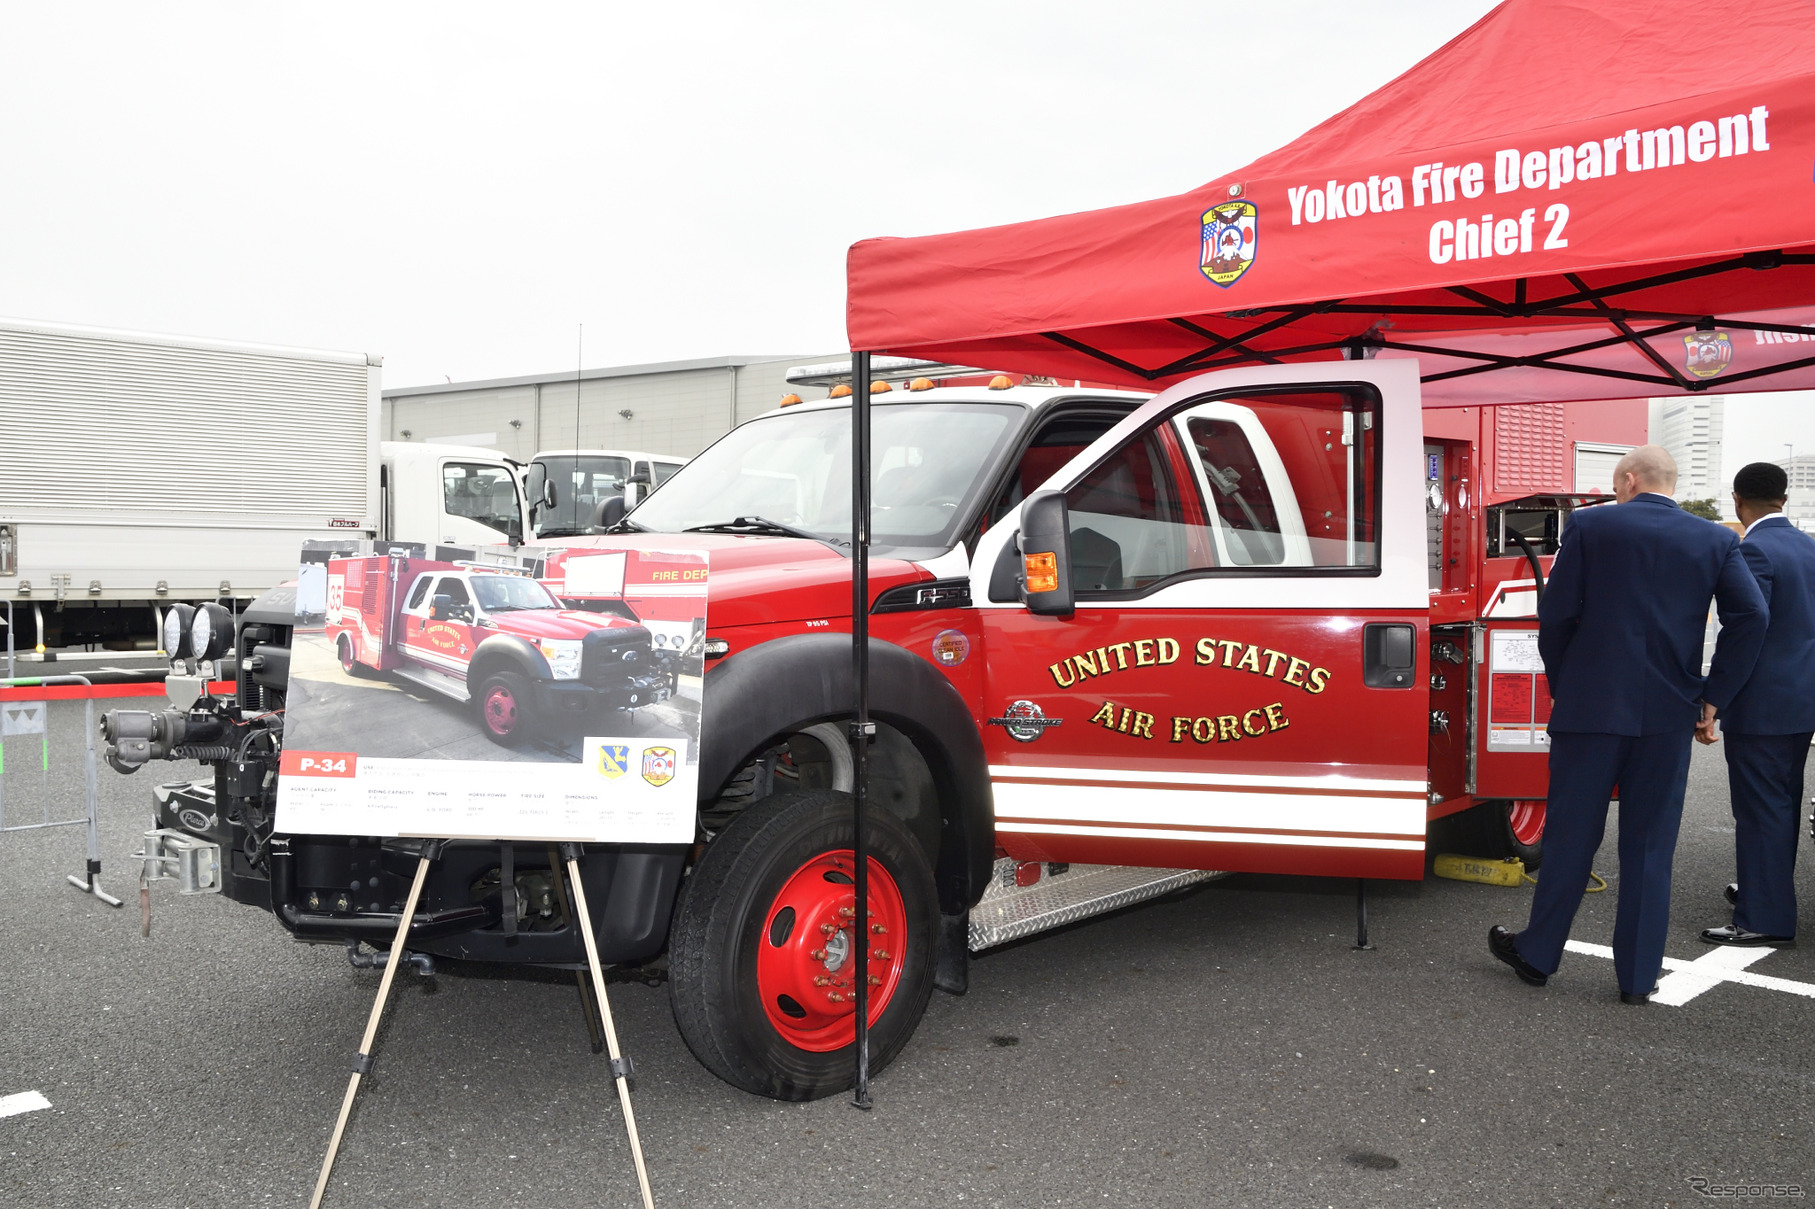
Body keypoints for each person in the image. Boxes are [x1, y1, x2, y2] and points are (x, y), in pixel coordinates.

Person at [1488, 445, 1768, 1004]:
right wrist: (1713, 699)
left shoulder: (1591, 527)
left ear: (1629, 479)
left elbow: (1557, 616)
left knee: (1571, 836)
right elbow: (1752, 616)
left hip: (1590, 709)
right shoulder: (1715, 538)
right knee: (1649, 846)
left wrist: (1570, 689)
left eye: (1618, 486)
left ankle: (1539, 954)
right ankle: (1638, 978)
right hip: (1669, 714)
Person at [1694, 462, 1813, 947]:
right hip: (1801, 701)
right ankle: (1767, 891)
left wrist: (1713, 699)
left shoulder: (1754, 550)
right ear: (1782, 498)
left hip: (1761, 704)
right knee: (1781, 804)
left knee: (1761, 808)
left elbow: (1745, 631)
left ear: (1738, 501)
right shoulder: (1809, 547)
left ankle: (1763, 916)